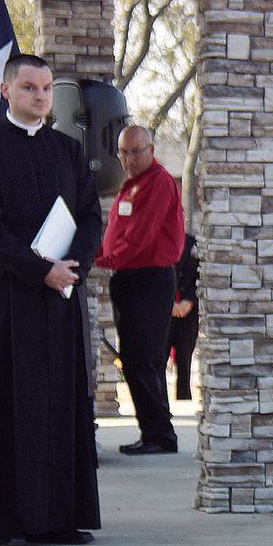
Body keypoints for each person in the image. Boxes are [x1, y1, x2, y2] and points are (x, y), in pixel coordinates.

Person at [0, 54, 103, 546]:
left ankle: (61, 516)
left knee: (60, 405)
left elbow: (90, 219)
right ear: (7, 92)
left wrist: (71, 270)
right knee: (11, 405)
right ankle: (8, 521)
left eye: (46, 89)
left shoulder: (69, 151)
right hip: (10, 299)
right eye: (30, 88)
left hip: (60, 298)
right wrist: (44, 271)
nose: (40, 97)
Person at [96, 125, 185, 454]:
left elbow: (141, 237)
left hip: (149, 278)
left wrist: (103, 260)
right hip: (130, 278)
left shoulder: (158, 183)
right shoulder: (131, 186)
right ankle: (152, 433)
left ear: (152, 149)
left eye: (136, 151)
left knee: (144, 359)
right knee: (134, 359)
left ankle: (161, 436)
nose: (129, 159)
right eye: (124, 152)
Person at [168, 232, 199, 401]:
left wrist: (189, 300)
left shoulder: (195, 244)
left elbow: (201, 276)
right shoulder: (156, 241)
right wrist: (167, 302)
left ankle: (184, 398)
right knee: (158, 360)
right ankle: (160, 406)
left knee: (185, 358)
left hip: (187, 312)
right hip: (164, 311)